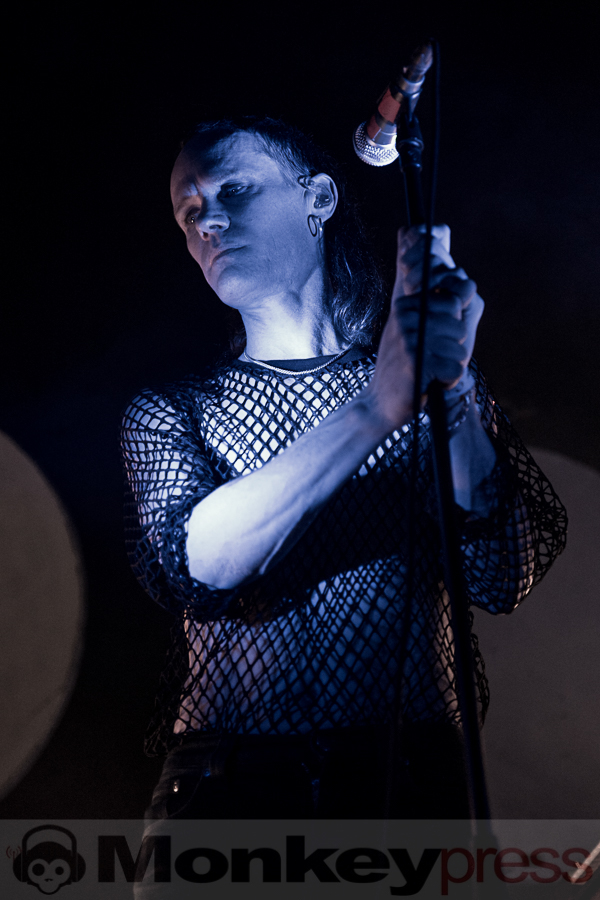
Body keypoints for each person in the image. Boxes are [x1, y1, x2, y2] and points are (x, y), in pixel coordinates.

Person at [121, 116, 566, 822]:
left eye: (235, 189)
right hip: (226, 793)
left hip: (411, 786)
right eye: (189, 210)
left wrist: (448, 391)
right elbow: (197, 569)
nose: (209, 220)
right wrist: (378, 407)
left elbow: (502, 575)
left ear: (318, 198)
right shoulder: (173, 409)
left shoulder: (425, 383)